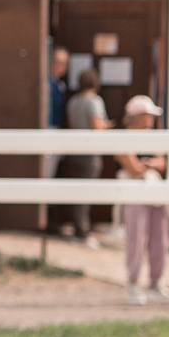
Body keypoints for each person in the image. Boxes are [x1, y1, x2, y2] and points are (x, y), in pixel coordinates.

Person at [113, 94, 169, 305]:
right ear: (138, 117)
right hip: (133, 192)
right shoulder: (123, 138)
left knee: (160, 236)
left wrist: (146, 164)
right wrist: (147, 164)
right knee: (136, 238)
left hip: (154, 191)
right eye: (148, 115)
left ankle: (155, 282)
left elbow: (161, 162)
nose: (151, 120)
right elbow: (132, 168)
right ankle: (133, 283)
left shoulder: (152, 137)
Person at [58, 66, 110, 244]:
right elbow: (96, 126)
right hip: (90, 152)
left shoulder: (73, 101)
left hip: (75, 150)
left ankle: (76, 227)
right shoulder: (94, 102)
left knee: (76, 191)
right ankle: (82, 231)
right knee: (86, 192)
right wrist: (105, 126)